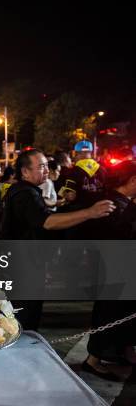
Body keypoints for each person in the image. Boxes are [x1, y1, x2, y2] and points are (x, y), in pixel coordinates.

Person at [1, 149, 115, 330]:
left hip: (24, 264)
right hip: (22, 268)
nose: (46, 170)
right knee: (24, 320)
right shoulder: (25, 194)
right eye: (41, 166)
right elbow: (47, 222)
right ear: (25, 171)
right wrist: (89, 213)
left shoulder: (25, 191)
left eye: (47, 165)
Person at [82, 161, 136, 381]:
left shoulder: (120, 201)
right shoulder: (111, 204)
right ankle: (93, 360)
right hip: (113, 270)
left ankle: (121, 351)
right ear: (132, 180)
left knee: (124, 312)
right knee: (109, 313)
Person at [62, 140, 107, 210]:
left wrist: (64, 194)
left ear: (76, 153)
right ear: (91, 153)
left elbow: (71, 196)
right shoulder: (103, 170)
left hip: (82, 213)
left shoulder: (73, 171)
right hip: (101, 210)